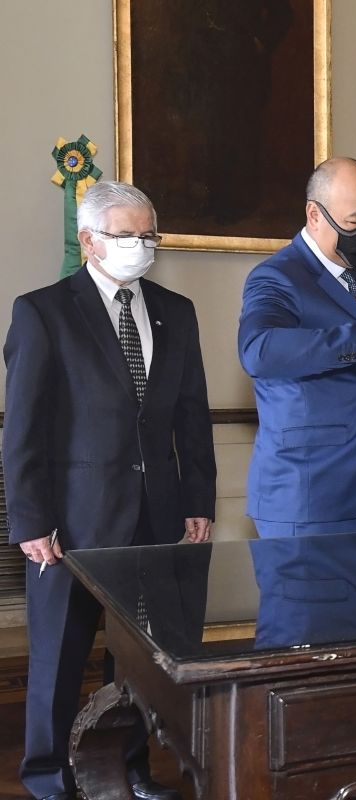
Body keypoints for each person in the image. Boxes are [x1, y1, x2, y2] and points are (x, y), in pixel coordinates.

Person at [3, 181, 216, 800]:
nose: (141, 246)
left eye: (149, 234)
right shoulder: (43, 311)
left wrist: (198, 501)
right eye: (127, 235)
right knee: (59, 658)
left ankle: (129, 769)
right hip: (70, 523)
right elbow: (24, 428)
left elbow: (192, 415)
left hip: (157, 518)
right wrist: (30, 521)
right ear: (89, 240)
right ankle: (49, 778)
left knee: (138, 659)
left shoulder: (175, 310)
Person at [238, 157, 356, 537]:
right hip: (305, 496)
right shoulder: (277, 276)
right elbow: (259, 350)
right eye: (354, 222)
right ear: (314, 215)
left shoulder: (354, 280)